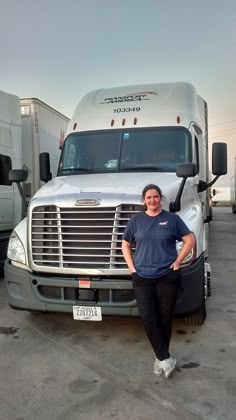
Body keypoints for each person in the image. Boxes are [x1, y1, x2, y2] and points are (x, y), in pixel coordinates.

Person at [122, 184, 195, 379]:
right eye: (148, 197)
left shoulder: (172, 220)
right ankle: (164, 357)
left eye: (155, 197)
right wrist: (132, 268)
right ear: (144, 200)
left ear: (160, 198)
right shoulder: (136, 221)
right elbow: (125, 244)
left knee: (165, 317)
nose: (152, 200)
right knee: (148, 317)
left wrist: (178, 262)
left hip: (167, 276)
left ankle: (161, 358)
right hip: (142, 277)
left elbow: (189, 240)